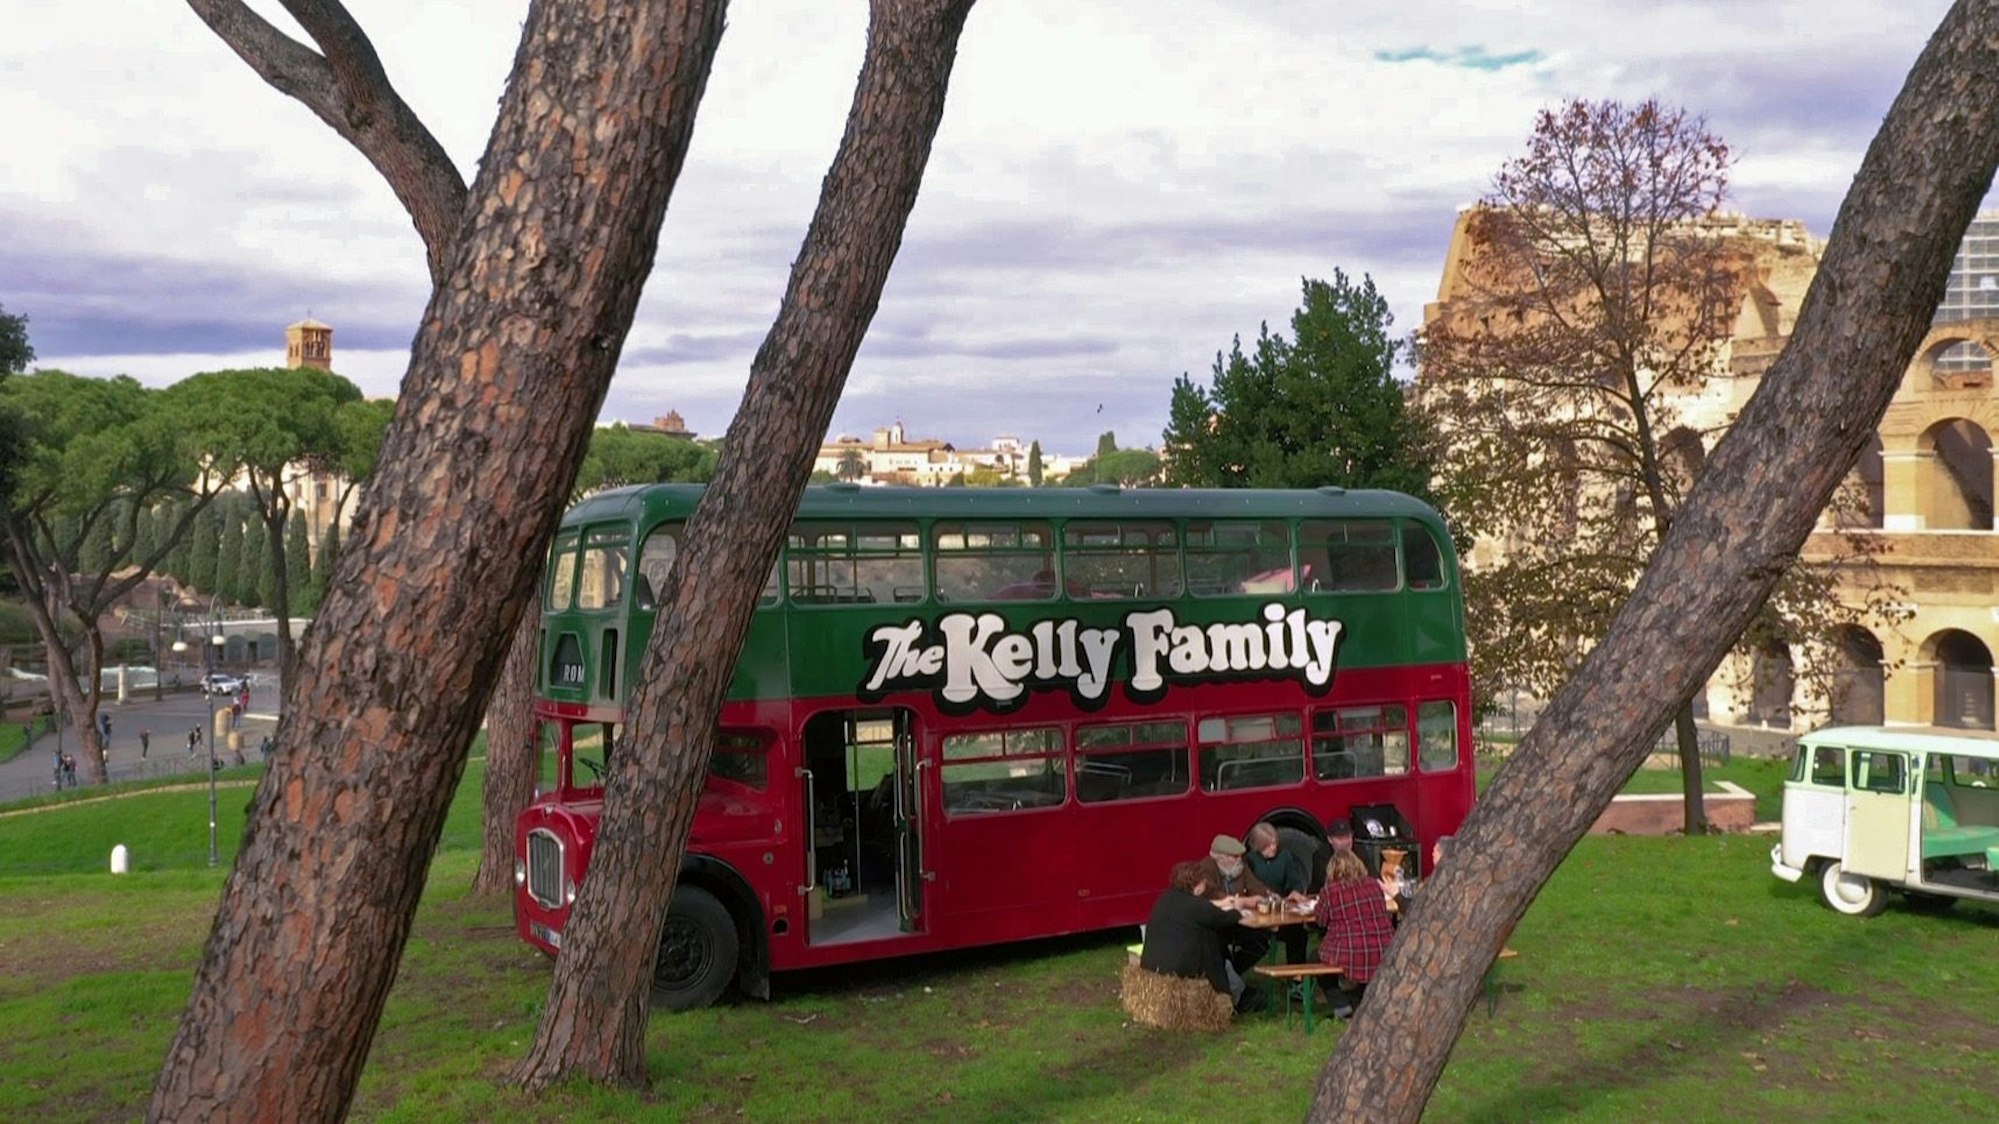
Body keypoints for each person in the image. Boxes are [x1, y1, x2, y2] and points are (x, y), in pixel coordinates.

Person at [1139, 861, 1247, 1004]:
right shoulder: (1196, 906)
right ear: (1198, 883)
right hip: (1181, 968)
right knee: (1210, 939)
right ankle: (1231, 994)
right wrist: (1237, 908)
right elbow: (1224, 918)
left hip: (1154, 964)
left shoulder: (1166, 898)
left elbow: (1204, 910)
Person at [1314, 850, 1396, 1018]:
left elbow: (1320, 920)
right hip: (1384, 945)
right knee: (1368, 961)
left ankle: (1341, 1005)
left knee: (1316, 959)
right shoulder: (1374, 885)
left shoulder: (1330, 891)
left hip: (1349, 949)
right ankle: (1366, 999)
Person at [1195, 833, 1274, 989]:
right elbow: (1212, 895)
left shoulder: (1240, 866)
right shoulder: (1205, 869)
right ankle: (1224, 979)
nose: (1239, 859)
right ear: (1221, 858)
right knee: (1219, 947)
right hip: (1216, 924)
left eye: (1239, 856)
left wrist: (1268, 894)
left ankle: (1232, 975)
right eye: (1234, 856)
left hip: (1237, 920)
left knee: (1260, 943)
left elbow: (1255, 886)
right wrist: (1244, 901)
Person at [1245, 822, 1311, 963]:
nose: (1273, 847)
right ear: (1259, 845)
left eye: (1274, 843)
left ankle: (1296, 977)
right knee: (1255, 941)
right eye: (1268, 845)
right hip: (1259, 913)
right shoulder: (1250, 860)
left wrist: (1295, 891)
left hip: (1280, 910)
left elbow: (1294, 880)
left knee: (1298, 932)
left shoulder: (1285, 856)